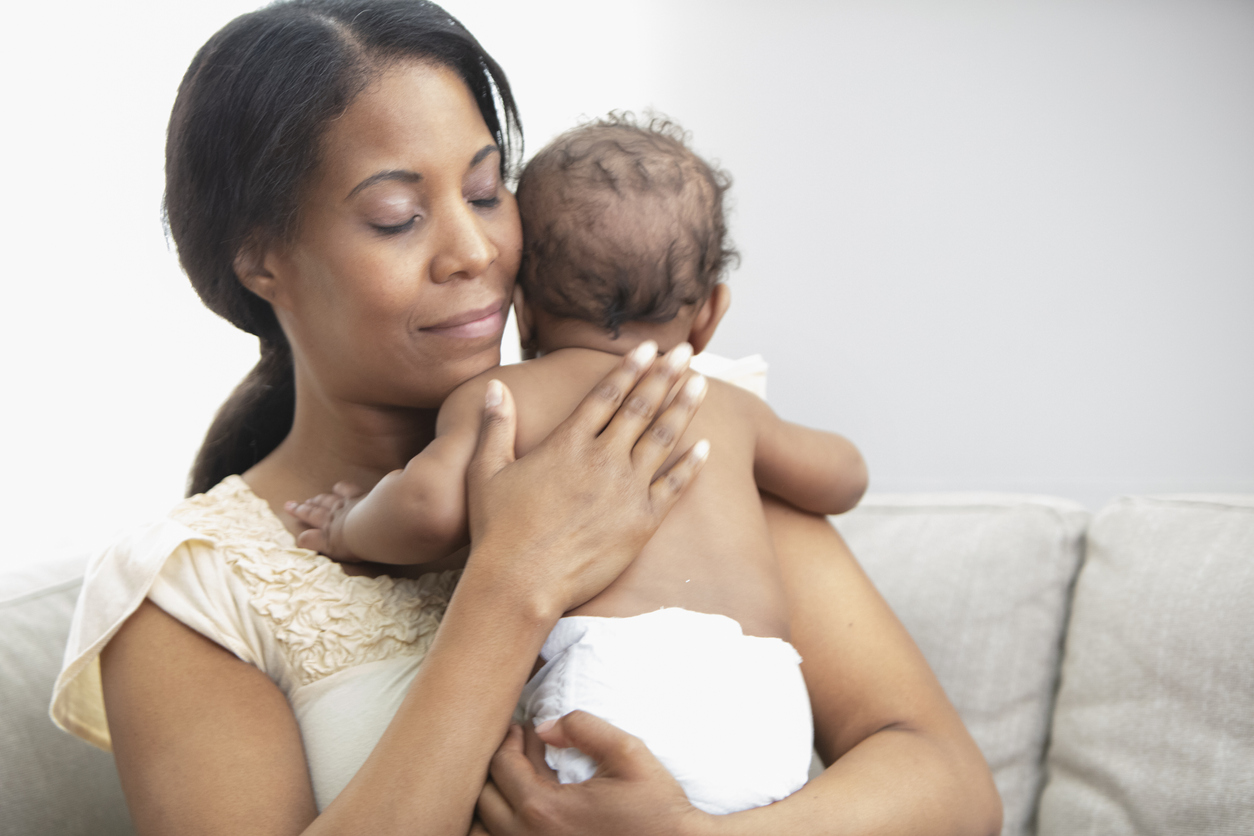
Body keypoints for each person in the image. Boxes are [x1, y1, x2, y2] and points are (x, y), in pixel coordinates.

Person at [50, 1, 1002, 834]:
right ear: (263, 261)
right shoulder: (188, 592)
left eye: (483, 191)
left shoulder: (658, 421)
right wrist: (514, 581)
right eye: (395, 216)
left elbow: (949, 787)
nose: (473, 251)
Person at [286, 116, 870, 815]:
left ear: (522, 311)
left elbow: (428, 510)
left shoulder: (505, 399)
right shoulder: (726, 408)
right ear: (710, 315)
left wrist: (349, 526)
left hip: (613, 694)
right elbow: (842, 478)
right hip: (763, 715)